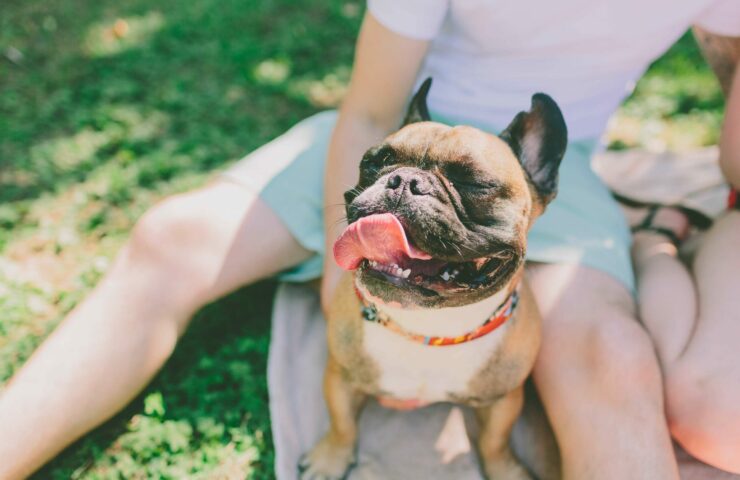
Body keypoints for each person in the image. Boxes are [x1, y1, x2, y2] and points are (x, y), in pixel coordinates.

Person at [0, 1, 738, 478]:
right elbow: (369, 111)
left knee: (612, 358)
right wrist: (337, 253)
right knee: (171, 240)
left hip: (540, 174)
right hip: (398, 147)